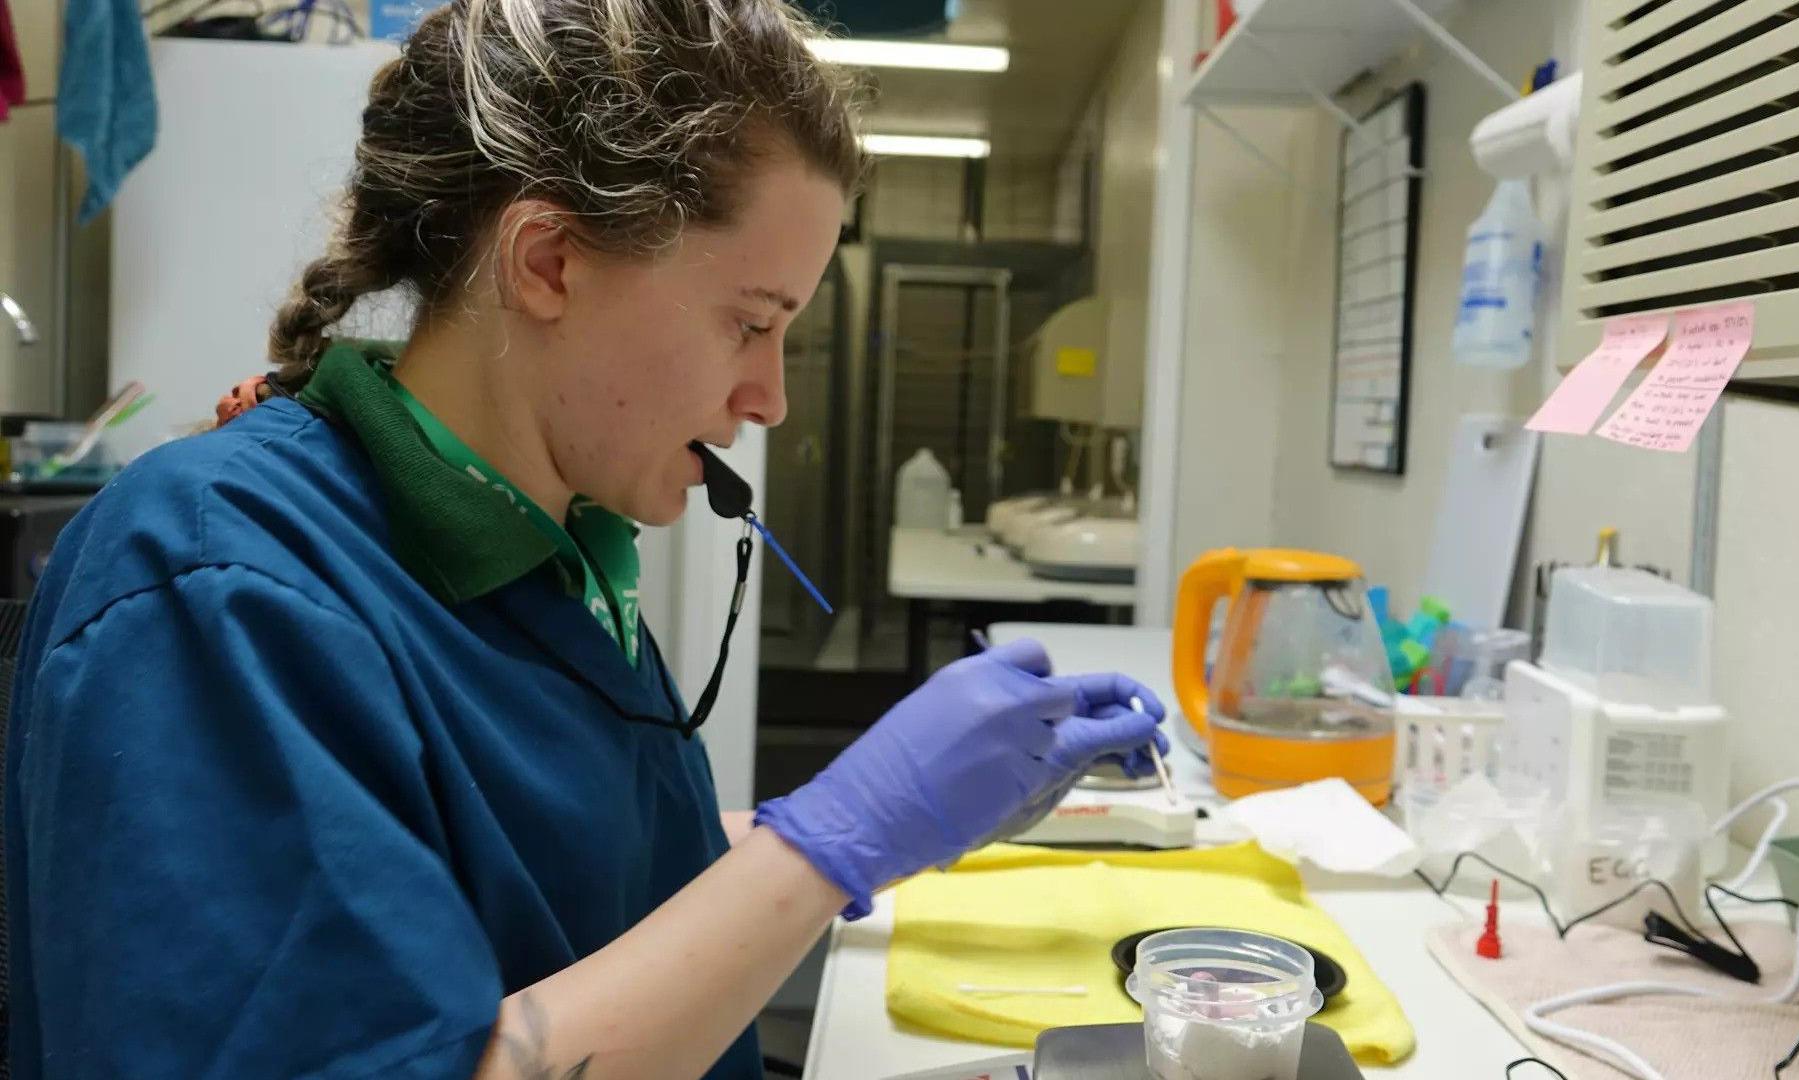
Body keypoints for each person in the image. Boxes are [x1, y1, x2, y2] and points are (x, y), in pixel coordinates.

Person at [1, 1, 1167, 1077]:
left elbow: (556, 865)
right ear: (550, 262)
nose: (769, 399)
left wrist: (906, 810)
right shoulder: (212, 588)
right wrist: (829, 843)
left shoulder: (555, 553)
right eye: (750, 325)